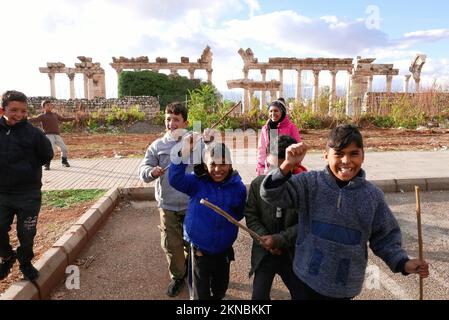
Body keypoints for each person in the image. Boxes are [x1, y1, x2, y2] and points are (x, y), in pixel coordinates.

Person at [260, 124, 429, 299]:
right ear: (326, 156)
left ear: (363, 156)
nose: (346, 161)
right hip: (305, 278)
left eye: (353, 153)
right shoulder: (309, 184)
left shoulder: (372, 196)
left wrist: (404, 263)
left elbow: (385, 239)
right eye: (339, 154)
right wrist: (287, 165)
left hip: (344, 286)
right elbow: (271, 194)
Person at [168, 139, 247, 300]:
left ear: (230, 165)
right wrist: (184, 152)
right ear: (205, 165)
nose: (218, 169)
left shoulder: (238, 187)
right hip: (200, 250)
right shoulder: (197, 182)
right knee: (200, 293)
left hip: (224, 250)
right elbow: (175, 179)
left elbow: (238, 214)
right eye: (213, 164)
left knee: (220, 289)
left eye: (223, 164)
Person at [139, 101, 192, 297]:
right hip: (167, 205)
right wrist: (151, 172)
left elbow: (210, 166)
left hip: (192, 204)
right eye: (168, 119)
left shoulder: (196, 143)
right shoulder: (157, 146)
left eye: (176, 119)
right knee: (171, 244)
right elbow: (143, 171)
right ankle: (178, 277)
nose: (171, 123)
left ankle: (194, 270)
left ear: (185, 123)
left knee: (193, 242)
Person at [0, 90, 54, 281]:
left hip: (28, 194)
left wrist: (28, 168)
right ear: (2, 110)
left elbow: (47, 154)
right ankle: (7, 256)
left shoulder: (34, 134)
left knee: (27, 233)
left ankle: (25, 263)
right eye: (14, 110)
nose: (19, 115)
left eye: (23, 111)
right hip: (2, 194)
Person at [245, 135, 307, 300]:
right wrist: (265, 240)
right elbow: (251, 217)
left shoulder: (303, 188)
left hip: (292, 254)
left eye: (282, 169)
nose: (274, 174)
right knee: (258, 297)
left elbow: (305, 224)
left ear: (293, 165)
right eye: (270, 166)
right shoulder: (257, 184)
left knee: (302, 295)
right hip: (264, 253)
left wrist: (279, 240)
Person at [257, 99, 302, 176]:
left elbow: (298, 147)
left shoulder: (291, 127)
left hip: (287, 167)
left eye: (276, 111)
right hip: (271, 168)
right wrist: (260, 169)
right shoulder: (266, 128)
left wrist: (295, 165)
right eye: (271, 111)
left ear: (282, 112)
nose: (273, 113)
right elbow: (262, 150)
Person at [28, 100, 75, 170]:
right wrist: (23, 119)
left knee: (64, 148)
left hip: (57, 135)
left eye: (50, 105)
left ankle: (64, 161)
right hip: (48, 135)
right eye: (47, 105)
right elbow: (33, 119)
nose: (49, 106)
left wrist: (73, 118)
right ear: (43, 107)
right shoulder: (42, 116)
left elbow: (63, 119)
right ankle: (47, 164)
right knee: (51, 150)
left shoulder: (55, 114)